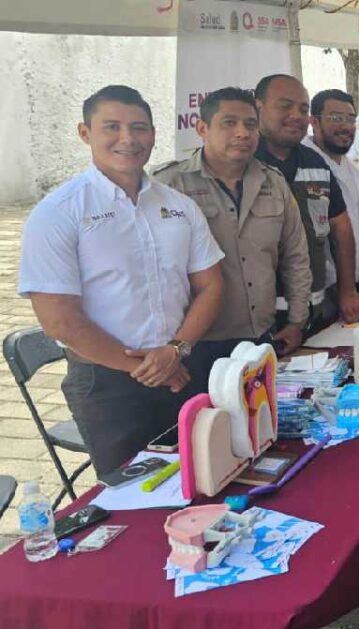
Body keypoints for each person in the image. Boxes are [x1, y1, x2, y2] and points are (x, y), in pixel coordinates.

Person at [19, 85, 224, 477]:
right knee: (130, 499)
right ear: (85, 133)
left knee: (199, 478)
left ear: (153, 134)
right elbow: (61, 320)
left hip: (180, 365)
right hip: (107, 380)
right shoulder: (58, 212)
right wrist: (150, 366)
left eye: (139, 128)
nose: (128, 139)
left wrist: (176, 350)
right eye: (111, 127)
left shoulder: (178, 205)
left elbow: (211, 286)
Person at [153, 87, 312, 395]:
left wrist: (297, 320)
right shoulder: (169, 186)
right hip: (195, 346)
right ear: (202, 128)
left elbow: (295, 256)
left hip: (261, 338)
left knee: (259, 429)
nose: (242, 133)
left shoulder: (273, 181)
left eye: (250, 125)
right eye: (229, 123)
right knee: (203, 433)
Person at [254, 74, 359, 331]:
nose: (295, 115)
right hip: (258, 315)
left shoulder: (315, 163)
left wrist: (347, 290)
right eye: (285, 106)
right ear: (258, 107)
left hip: (314, 306)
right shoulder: (243, 163)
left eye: (303, 109)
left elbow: (342, 229)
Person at [306, 89, 359, 277]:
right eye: (336, 118)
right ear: (314, 122)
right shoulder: (303, 165)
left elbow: (358, 232)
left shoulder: (354, 173)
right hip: (319, 285)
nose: (345, 126)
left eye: (351, 119)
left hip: (352, 280)